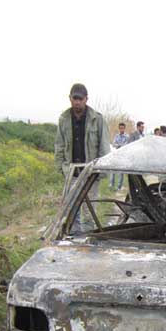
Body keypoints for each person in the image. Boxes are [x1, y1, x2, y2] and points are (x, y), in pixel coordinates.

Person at [54, 83, 110, 231]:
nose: (77, 102)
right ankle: (73, 243)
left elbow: (104, 146)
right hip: (71, 172)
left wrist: (101, 170)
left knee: (89, 210)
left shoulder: (97, 119)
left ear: (86, 99)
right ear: (70, 98)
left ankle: (90, 243)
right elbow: (59, 145)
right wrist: (60, 168)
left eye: (80, 99)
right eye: (75, 98)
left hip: (91, 173)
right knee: (72, 211)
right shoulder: (63, 119)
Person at [109, 122, 129, 190]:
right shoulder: (116, 136)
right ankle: (111, 184)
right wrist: (119, 145)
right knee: (113, 169)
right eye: (120, 128)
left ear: (124, 128)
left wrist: (119, 145)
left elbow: (126, 145)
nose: (121, 129)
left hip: (123, 156)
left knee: (121, 172)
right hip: (116, 154)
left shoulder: (127, 136)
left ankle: (119, 186)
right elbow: (114, 143)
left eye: (122, 128)